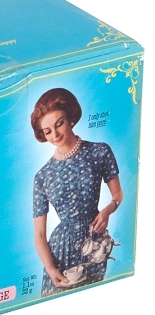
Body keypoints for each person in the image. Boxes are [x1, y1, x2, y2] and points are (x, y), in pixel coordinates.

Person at [31, 88, 123, 297]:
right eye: (47, 131)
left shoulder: (99, 151)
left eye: (59, 123)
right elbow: (39, 235)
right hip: (59, 252)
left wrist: (108, 210)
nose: (55, 135)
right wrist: (51, 269)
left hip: (94, 245)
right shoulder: (42, 176)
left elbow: (118, 196)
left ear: (70, 118)